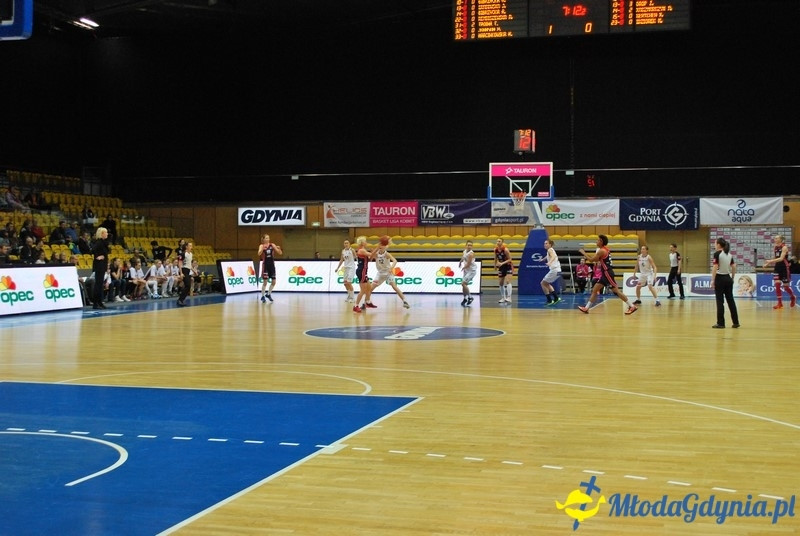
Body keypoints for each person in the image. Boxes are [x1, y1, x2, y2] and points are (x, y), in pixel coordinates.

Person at [577, 234, 638, 315]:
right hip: (605, 274)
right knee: (595, 290)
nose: (596, 241)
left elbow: (591, 260)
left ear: (601, 241)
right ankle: (586, 308)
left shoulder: (602, 251)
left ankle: (632, 306)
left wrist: (583, 253)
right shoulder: (605, 249)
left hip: (607, 273)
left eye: (598, 240)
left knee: (616, 291)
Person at [369, 241, 410, 309]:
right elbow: (370, 258)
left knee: (394, 287)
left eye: (383, 246)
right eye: (380, 246)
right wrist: (373, 251)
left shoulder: (387, 254)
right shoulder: (376, 254)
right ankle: (366, 303)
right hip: (380, 274)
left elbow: (395, 260)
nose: (381, 247)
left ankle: (405, 301)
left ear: (385, 247)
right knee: (370, 289)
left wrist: (391, 268)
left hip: (388, 273)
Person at [711, 237, 740, 328]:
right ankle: (736, 322)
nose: (714, 245)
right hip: (728, 278)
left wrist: (713, 280)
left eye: (715, 243)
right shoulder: (729, 255)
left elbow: (715, 267)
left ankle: (721, 323)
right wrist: (732, 277)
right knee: (731, 300)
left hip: (720, 278)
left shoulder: (717, 254)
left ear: (719, 245)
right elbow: (734, 267)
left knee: (720, 301)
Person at [763, 234, 796, 309]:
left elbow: (781, 258)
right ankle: (780, 303)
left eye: (777, 238)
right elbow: (776, 257)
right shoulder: (775, 247)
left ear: (781, 239)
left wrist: (770, 261)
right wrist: (767, 263)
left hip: (784, 267)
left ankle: (793, 297)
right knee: (777, 284)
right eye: (775, 238)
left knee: (786, 287)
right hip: (777, 267)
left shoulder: (784, 247)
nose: (775, 239)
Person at [352, 236, 376, 313]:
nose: (366, 243)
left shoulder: (363, 250)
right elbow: (373, 255)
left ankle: (368, 302)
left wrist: (373, 253)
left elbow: (370, 259)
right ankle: (355, 306)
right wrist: (375, 250)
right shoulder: (362, 250)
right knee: (363, 290)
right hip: (361, 271)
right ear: (362, 243)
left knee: (369, 288)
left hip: (364, 271)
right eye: (365, 241)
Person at [257, 234, 283, 302]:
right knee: (265, 282)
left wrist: (279, 249)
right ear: (263, 239)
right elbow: (259, 254)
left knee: (274, 281)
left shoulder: (272, 245)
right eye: (266, 238)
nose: (268, 239)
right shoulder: (261, 246)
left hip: (271, 265)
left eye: (268, 238)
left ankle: (268, 294)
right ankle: (262, 296)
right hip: (265, 265)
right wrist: (262, 249)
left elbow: (280, 253)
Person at [91, 227, 110, 309]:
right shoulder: (99, 242)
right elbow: (92, 250)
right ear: (101, 234)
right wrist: (97, 257)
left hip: (102, 265)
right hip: (99, 265)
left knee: (100, 284)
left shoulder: (103, 242)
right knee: (98, 284)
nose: (107, 234)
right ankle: (96, 303)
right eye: (105, 232)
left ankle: (99, 301)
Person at [541, 239, 562, 306]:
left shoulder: (550, 250)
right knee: (546, 283)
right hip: (558, 271)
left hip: (554, 270)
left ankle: (549, 300)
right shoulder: (550, 250)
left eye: (546, 243)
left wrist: (549, 262)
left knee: (542, 283)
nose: (545, 244)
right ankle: (556, 298)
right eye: (544, 243)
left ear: (550, 244)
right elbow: (549, 256)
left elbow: (553, 256)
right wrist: (543, 259)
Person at [494, 238, 513, 304]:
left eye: (499, 241)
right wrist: (495, 265)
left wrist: (502, 263)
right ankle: (503, 297)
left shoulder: (505, 250)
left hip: (508, 266)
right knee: (500, 283)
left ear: (502, 242)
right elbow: (495, 258)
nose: (498, 242)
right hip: (501, 267)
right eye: (497, 241)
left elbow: (510, 259)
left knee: (508, 281)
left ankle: (509, 297)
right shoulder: (496, 250)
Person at [459, 240, 477, 307]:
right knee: (463, 285)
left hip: (471, 270)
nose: (469, 246)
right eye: (468, 245)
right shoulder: (464, 251)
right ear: (466, 245)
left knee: (463, 283)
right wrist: (460, 262)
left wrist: (463, 267)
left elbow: (469, 264)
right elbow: (463, 257)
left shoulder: (471, 254)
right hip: (467, 270)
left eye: (471, 245)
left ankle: (470, 297)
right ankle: (465, 298)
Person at [177, 242, 194, 307]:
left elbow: (189, 264)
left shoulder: (191, 254)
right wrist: (181, 273)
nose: (191, 247)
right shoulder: (183, 254)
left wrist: (193, 270)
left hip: (188, 270)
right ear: (186, 246)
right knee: (188, 285)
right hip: (184, 270)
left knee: (188, 286)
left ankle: (181, 299)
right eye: (190, 245)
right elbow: (180, 263)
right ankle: (180, 299)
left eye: (191, 245)